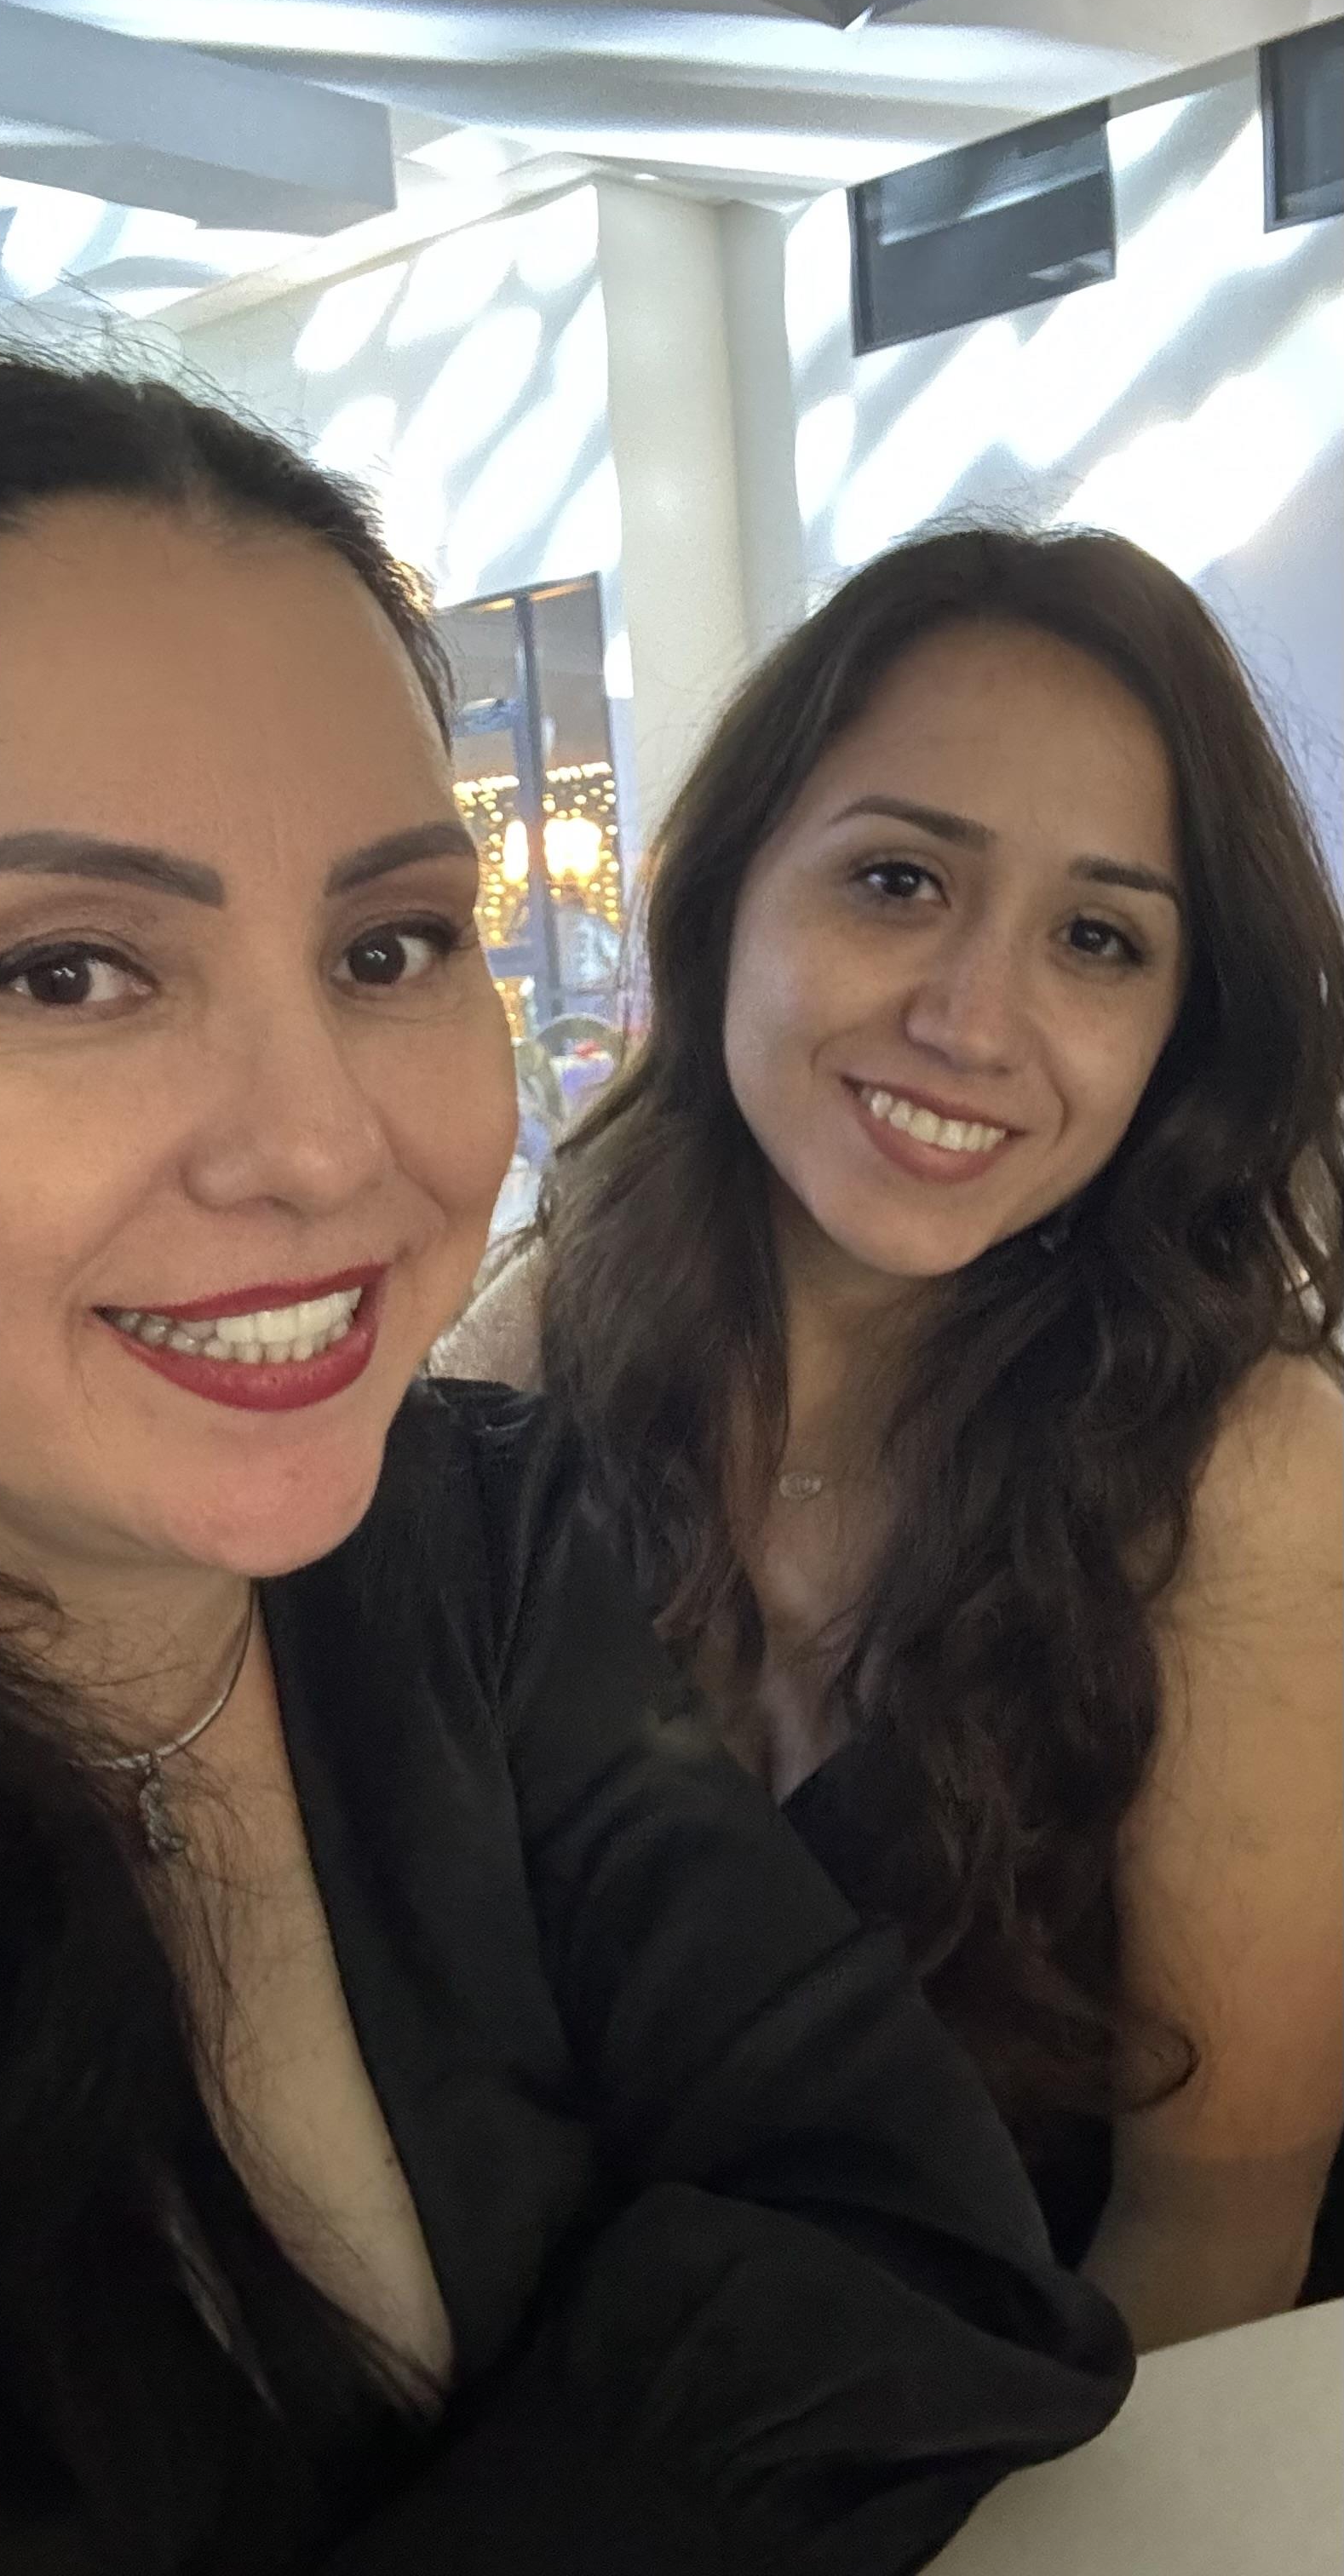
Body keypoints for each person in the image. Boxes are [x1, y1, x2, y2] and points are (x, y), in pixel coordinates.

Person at [0, 352, 1130, 2576]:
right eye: (65, 972)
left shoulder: (472, 1533)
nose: (326, 1145)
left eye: (389, 945)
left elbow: (922, 2248)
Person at [437, 524, 1344, 2354]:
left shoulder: (1239, 1469)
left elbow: (1214, 2222)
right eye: (895, 879)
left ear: (1177, 1029)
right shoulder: (534, 1344)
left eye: (1096, 936)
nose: (967, 1019)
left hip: (1060, 2438)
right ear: (726, 897)